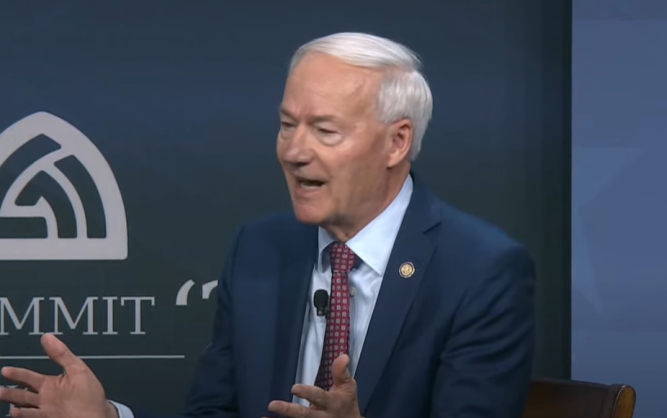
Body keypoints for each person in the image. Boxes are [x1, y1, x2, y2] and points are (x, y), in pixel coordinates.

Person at [0, 32, 536, 418]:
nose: (294, 152)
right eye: (287, 125)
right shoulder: (258, 249)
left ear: (396, 142)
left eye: (324, 130)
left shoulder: (481, 270)